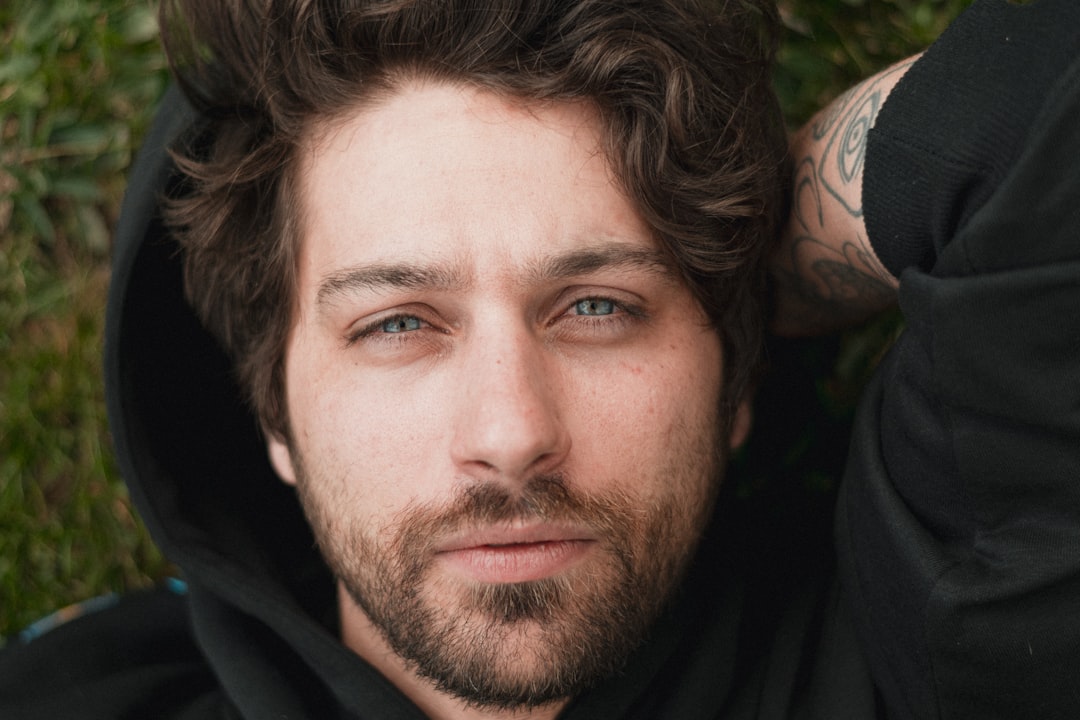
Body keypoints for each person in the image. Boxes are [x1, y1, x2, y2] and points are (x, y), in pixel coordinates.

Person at [1, 1, 1078, 719]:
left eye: (599, 306)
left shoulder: (920, 653)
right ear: (273, 412)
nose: (511, 433)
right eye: (398, 323)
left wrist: (753, 267)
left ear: (735, 379)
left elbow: (1038, 113)